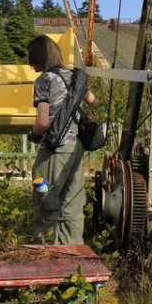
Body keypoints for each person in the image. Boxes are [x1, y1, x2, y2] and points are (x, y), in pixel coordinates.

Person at [26, 34, 96, 245]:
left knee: (44, 189)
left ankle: (47, 248)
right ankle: (74, 252)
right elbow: (93, 101)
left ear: (38, 58)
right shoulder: (72, 77)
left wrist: (33, 134)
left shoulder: (44, 80)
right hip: (76, 147)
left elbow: (43, 122)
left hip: (56, 148)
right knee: (72, 201)